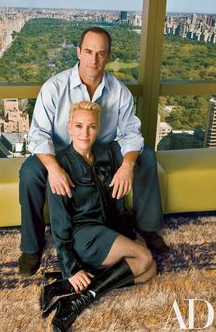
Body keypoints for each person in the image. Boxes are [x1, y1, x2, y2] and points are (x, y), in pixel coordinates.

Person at [19, 26, 168, 277]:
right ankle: (32, 248)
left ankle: (149, 228)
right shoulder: (54, 87)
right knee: (30, 172)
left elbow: (131, 134)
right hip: (60, 151)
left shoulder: (119, 91)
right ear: (78, 52)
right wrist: (54, 168)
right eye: (88, 51)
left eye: (101, 53)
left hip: (103, 150)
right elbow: (37, 136)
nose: (94, 60)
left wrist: (127, 165)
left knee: (147, 158)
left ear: (108, 56)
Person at [42, 101, 157, 332]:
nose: (85, 133)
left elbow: (117, 203)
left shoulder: (106, 155)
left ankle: (68, 291)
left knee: (150, 272)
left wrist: (128, 235)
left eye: (91, 126)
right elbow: (59, 222)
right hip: (83, 236)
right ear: (69, 128)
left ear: (98, 128)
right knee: (144, 259)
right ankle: (76, 303)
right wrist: (70, 267)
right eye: (79, 126)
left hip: (106, 228)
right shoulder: (60, 165)